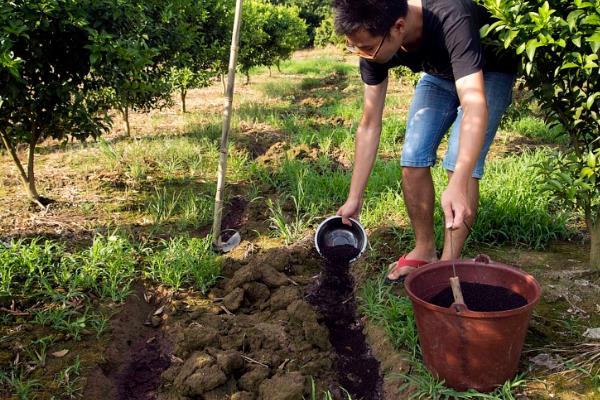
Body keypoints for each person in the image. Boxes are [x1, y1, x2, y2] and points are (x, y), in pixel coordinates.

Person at [333, 0, 517, 283]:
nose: (363, 55)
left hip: (490, 71)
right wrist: (354, 198)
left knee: (459, 164)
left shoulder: (451, 16)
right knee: (413, 157)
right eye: (355, 47)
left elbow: (474, 103)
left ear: (399, 27)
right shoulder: (373, 41)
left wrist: (457, 184)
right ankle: (425, 248)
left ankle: (447, 265)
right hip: (440, 75)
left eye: (368, 48)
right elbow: (369, 124)